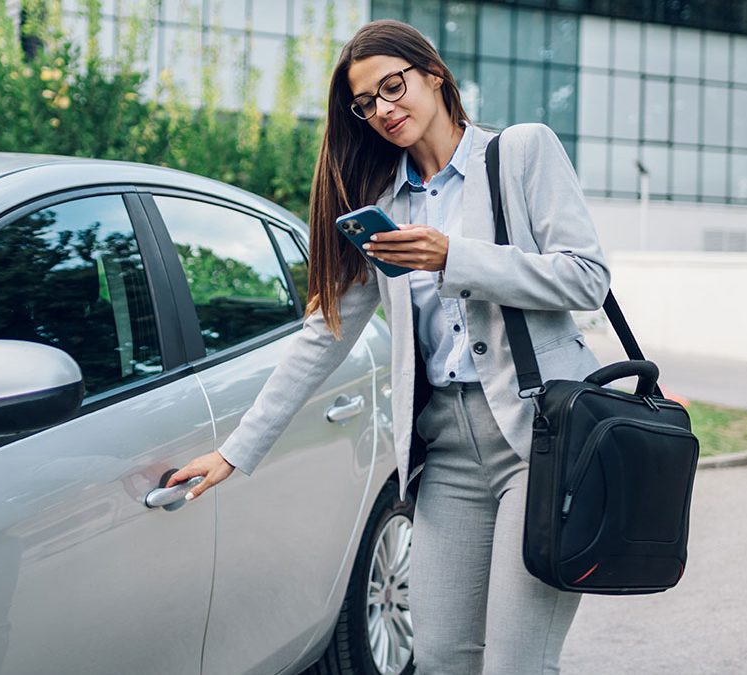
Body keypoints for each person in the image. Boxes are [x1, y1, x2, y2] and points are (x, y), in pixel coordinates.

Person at [167, 18, 610, 674]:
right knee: (436, 657)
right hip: (447, 454)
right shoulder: (382, 205)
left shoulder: (519, 153)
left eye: (393, 86)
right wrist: (236, 451)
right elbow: (326, 333)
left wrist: (454, 256)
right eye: (366, 102)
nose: (383, 109)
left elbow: (587, 277)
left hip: (539, 437)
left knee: (518, 663)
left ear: (434, 75)